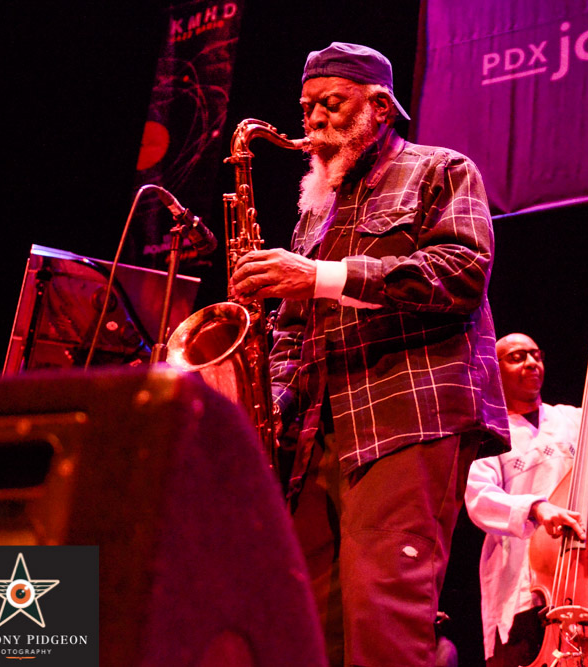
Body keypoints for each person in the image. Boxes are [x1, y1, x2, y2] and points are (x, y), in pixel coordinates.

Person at [229, 42, 510, 667]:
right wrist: (259, 413)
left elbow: (461, 274)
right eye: (306, 110)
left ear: (380, 107)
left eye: (331, 105)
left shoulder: (442, 169)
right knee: (306, 626)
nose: (314, 124)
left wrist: (322, 276)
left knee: (381, 616)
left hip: (406, 417)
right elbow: (292, 336)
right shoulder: (313, 215)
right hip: (313, 434)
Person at [463, 332, 588, 666]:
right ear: (495, 372)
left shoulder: (574, 420)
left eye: (536, 354)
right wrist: (537, 508)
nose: (531, 362)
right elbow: (479, 497)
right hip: (526, 588)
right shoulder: (490, 433)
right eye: (517, 357)